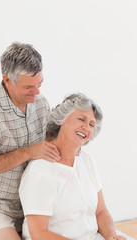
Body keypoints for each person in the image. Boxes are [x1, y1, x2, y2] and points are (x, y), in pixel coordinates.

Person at [19, 93, 134, 240]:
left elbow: (101, 212)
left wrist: (113, 237)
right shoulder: (40, 171)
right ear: (62, 120)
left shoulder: (86, 161)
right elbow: (39, 234)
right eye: (81, 119)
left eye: (91, 124)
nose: (86, 127)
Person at [0, 42, 60, 240]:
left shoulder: (40, 103)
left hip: (31, 201)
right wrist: (27, 152)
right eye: (29, 87)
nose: (37, 92)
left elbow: (49, 141)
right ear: (7, 79)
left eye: (39, 84)